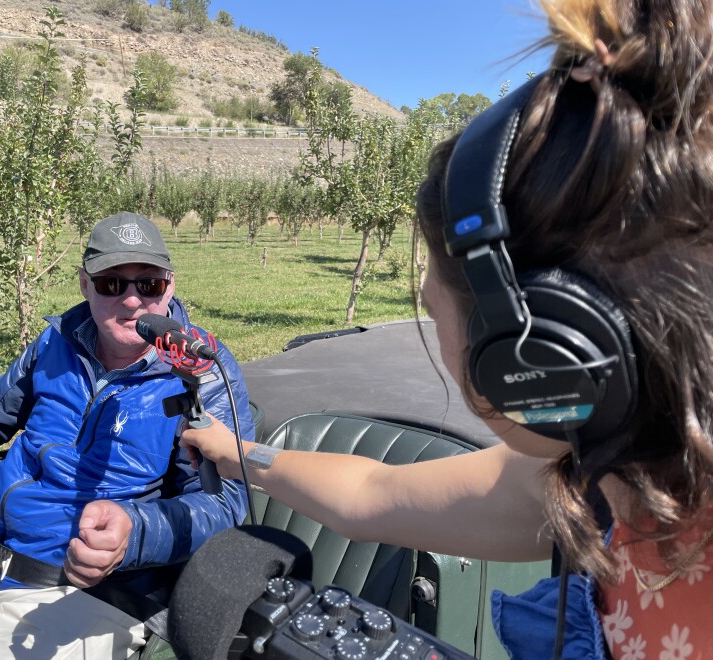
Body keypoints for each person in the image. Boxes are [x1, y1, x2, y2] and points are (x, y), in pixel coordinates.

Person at [181, 1, 713, 657]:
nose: (440, 340)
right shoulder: (612, 480)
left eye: (436, 313)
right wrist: (239, 454)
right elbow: (370, 493)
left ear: (535, 348)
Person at [0, 211, 255, 659]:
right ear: (84, 284)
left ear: (170, 285)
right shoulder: (55, 343)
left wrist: (132, 535)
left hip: (86, 594)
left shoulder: (200, 371)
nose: (133, 301)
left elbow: (226, 501)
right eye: (112, 284)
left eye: (148, 285)